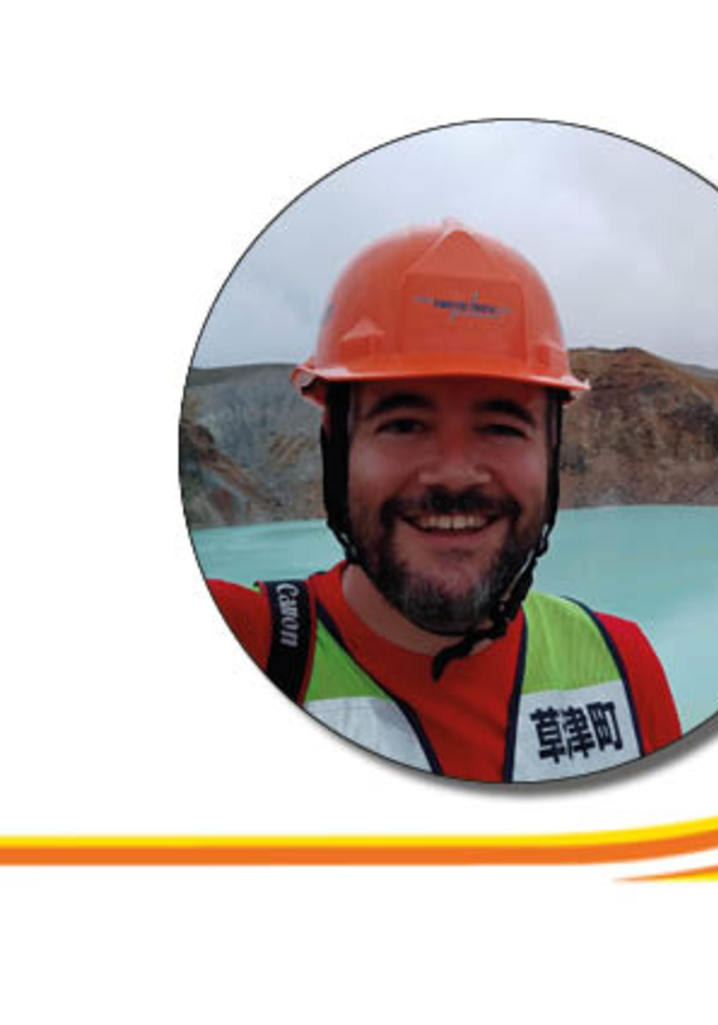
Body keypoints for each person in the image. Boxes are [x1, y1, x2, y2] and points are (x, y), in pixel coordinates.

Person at [209, 222, 681, 782]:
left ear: (550, 450)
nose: (455, 475)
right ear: (338, 446)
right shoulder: (248, 641)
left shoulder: (622, 669)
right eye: (404, 424)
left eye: (501, 427)